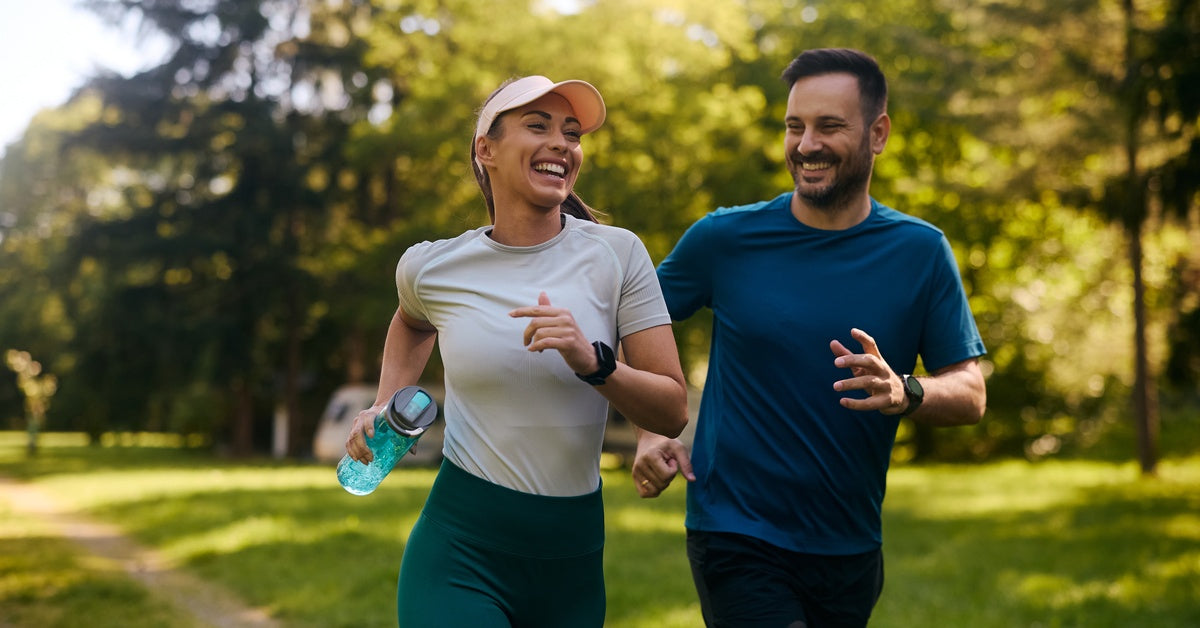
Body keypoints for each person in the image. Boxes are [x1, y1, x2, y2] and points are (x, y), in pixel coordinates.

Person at [632, 48, 988, 627]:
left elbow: (970, 394)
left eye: (829, 126)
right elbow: (635, 323)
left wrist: (906, 392)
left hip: (849, 546)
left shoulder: (921, 252)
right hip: (735, 532)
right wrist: (650, 431)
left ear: (878, 134)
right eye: (794, 127)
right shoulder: (724, 239)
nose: (805, 145)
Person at [344, 75, 689, 627]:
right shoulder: (432, 267)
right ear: (487, 150)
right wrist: (386, 404)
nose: (562, 143)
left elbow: (671, 409)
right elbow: (411, 324)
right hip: (461, 551)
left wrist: (595, 362)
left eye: (571, 134)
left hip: (571, 563)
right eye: (538, 126)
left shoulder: (618, 254)